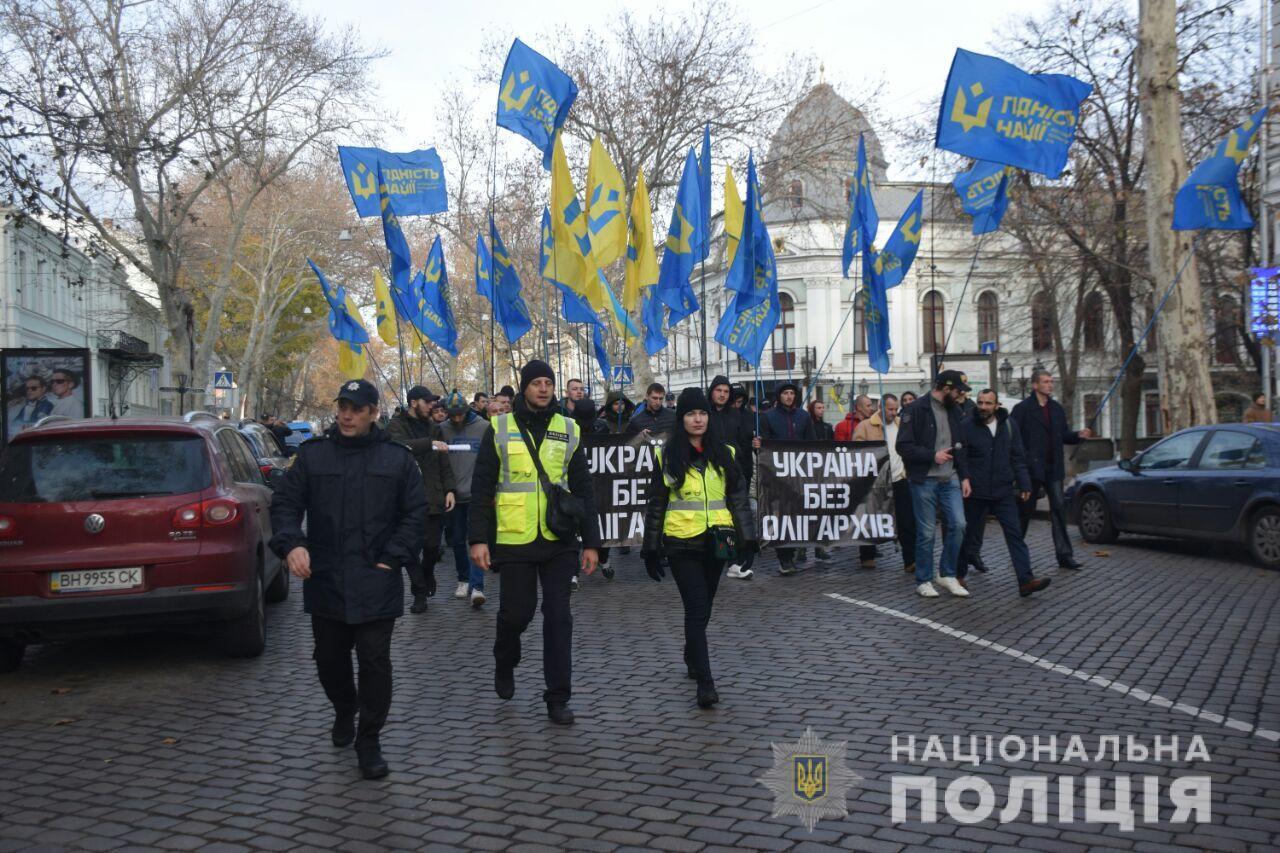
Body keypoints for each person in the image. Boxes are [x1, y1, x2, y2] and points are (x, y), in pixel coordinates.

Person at [269, 379, 427, 779]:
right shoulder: (312, 457)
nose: (347, 414)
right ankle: (344, 707)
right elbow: (285, 504)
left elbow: (415, 514)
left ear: (374, 413)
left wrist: (393, 559)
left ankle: (369, 739)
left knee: (375, 662)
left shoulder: (397, 459)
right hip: (327, 578)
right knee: (329, 660)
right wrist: (291, 545)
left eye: (356, 408)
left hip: (377, 578)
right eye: (343, 406)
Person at [469, 360, 601, 725]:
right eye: (536, 383)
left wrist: (592, 542)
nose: (543, 388)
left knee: (559, 618)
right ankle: (504, 656)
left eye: (548, 383)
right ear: (524, 388)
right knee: (517, 614)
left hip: (559, 538)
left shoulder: (568, 428)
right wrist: (478, 538)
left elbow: (584, 489)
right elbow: (481, 489)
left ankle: (557, 697)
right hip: (514, 538)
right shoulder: (498, 428)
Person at [642, 387, 756, 708]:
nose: (698, 419)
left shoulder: (726, 453)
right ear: (682, 419)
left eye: (703, 413)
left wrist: (748, 539)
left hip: (719, 540)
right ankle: (705, 682)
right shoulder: (667, 455)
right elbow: (657, 505)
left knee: (705, 606)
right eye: (691, 414)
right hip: (681, 543)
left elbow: (737, 500)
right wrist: (651, 548)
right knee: (695, 608)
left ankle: (692, 654)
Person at [958, 389, 1051, 597]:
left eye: (988, 403)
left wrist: (1025, 484)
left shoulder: (1009, 426)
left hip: (1003, 490)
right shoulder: (966, 426)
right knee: (968, 534)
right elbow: (961, 457)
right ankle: (958, 574)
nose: (983, 407)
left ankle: (1026, 581)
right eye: (980, 403)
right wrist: (964, 478)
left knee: (1015, 535)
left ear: (996, 405)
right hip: (976, 491)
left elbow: (1018, 456)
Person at [896, 370, 972, 598]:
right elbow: (903, 446)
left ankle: (947, 573)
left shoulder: (955, 411)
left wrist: (965, 476)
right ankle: (924, 579)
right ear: (946, 388)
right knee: (927, 531)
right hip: (924, 479)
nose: (961, 396)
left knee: (959, 524)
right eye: (958, 391)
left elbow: (962, 446)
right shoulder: (915, 409)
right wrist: (932, 455)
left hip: (951, 478)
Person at [1010, 369, 1091, 569]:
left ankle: (1064, 555)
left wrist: (1078, 434)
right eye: (1045, 381)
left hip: (1053, 468)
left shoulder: (1056, 408)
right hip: (1030, 469)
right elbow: (1013, 439)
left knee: (1058, 510)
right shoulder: (1022, 409)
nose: (1050, 385)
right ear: (1035, 385)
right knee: (1025, 513)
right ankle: (1017, 554)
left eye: (1051, 381)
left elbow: (1062, 435)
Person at [386, 386, 456, 614]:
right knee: (407, 550)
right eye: (427, 402)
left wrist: (450, 489)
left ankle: (427, 576)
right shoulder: (396, 425)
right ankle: (419, 592)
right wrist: (429, 444)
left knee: (433, 547)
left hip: (433, 495)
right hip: (404, 500)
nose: (431, 406)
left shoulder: (435, 428)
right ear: (414, 402)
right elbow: (397, 447)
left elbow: (444, 461)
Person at [754, 381, 815, 574]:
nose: (789, 396)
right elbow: (763, 446)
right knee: (781, 516)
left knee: (797, 515)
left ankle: (795, 550)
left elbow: (811, 443)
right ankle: (785, 558)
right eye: (785, 393)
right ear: (779, 396)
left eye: (791, 393)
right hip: (777, 475)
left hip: (799, 474)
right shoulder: (768, 417)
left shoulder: (804, 417)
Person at [437, 392, 490, 608]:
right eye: (452, 415)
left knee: (477, 540)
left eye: (460, 415)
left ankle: (477, 586)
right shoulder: (442, 429)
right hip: (453, 494)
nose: (457, 419)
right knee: (457, 540)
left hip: (477, 494)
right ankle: (463, 578)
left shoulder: (484, 427)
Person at [853, 394, 914, 574]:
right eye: (890, 409)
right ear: (881, 407)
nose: (894, 413)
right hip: (875, 481)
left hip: (899, 477)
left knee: (906, 521)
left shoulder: (900, 424)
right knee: (870, 517)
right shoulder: (865, 426)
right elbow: (856, 450)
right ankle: (867, 555)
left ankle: (910, 559)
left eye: (896, 409)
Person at [707, 375, 756, 579]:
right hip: (710, 474)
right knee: (717, 517)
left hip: (734, 473)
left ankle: (738, 559)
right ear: (712, 392)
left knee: (738, 516)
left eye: (726, 392)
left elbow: (744, 443)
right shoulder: (704, 413)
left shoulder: (736, 415)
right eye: (719, 390)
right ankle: (718, 557)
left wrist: (755, 444)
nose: (722, 394)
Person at [7, 374, 53, 438]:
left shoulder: (47, 405)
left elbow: (37, 425)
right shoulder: (26, 405)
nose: (29, 391)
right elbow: (14, 424)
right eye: (27, 388)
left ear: (43, 389)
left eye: (34, 388)